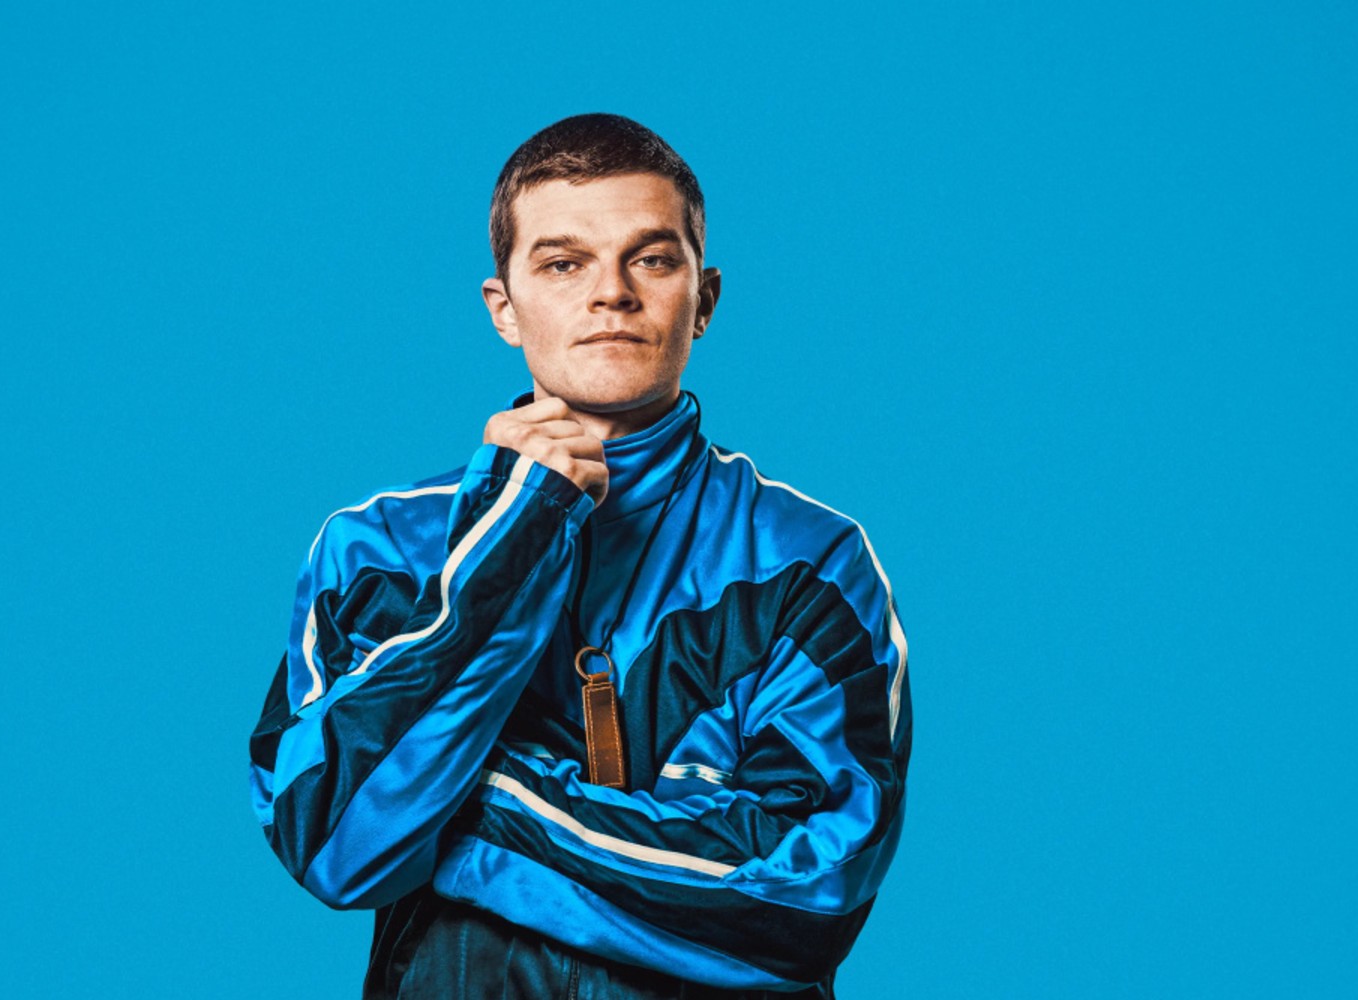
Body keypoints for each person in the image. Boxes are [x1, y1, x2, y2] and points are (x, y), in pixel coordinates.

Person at [249, 113, 911, 998]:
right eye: (565, 264)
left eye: (653, 259)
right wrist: (512, 534)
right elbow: (334, 843)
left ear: (704, 300)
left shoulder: (809, 563)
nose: (612, 294)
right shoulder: (380, 549)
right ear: (504, 309)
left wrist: (447, 802)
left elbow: (803, 899)